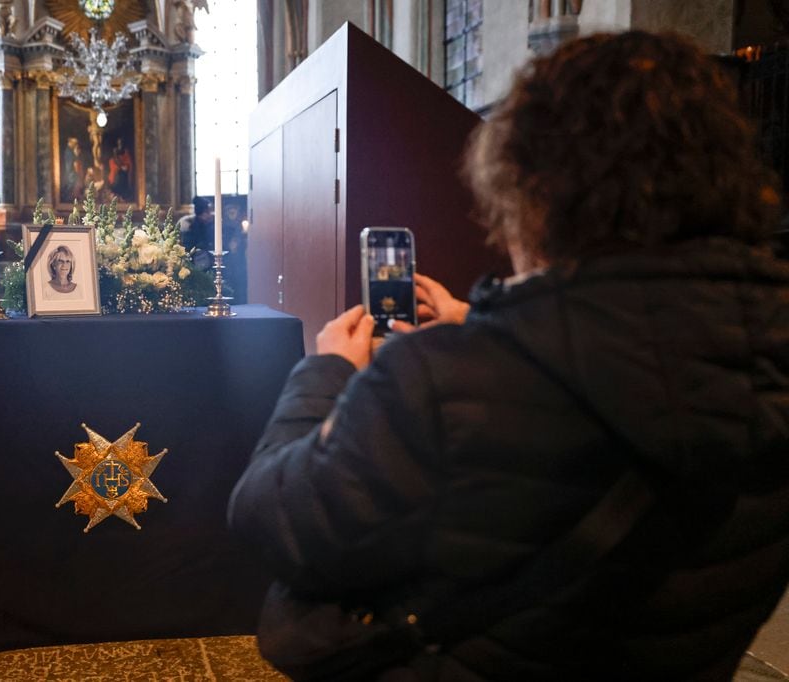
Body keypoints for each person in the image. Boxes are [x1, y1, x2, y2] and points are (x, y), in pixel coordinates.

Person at [227, 31, 789, 680]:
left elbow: (271, 520)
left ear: (529, 194)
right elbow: (645, 359)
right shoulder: (767, 348)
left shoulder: (443, 379)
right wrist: (497, 324)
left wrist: (324, 374)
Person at [178, 196, 214, 271]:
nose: (210, 215)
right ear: (201, 214)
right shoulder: (191, 228)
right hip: (197, 265)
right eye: (207, 212)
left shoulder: (209, 224)